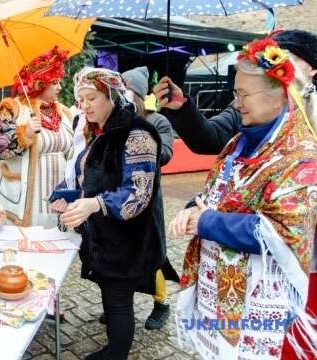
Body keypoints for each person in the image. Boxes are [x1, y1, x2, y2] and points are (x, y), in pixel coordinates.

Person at [171, 36, 317, 359]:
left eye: (243, 94)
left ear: (278, 96)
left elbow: (280, 231)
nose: (236, 103)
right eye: (235, 93)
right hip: (223, 301)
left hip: (259, 308)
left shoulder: (301, 156)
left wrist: (206, 221)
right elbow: (221, 193)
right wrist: (192, 209)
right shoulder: (239, 141)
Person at [50, 67, 164, 360]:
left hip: (127, 240)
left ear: (111, 96)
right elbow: (88, 179)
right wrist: (65, 196)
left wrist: (95, 204)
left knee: (119, 301)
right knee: (110, 294)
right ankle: (114, 345)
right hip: (103, 237)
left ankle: (116, 352)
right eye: (81, 99)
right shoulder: (95, 132)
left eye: (91, 98)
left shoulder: (137, 134)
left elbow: (137, 195)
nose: (84, 105)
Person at [153, 29, 317, 155]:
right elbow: (209, 138)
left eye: (290, 58)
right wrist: (182, 108)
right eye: (277, 56)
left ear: (313, 70)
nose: (280, 63)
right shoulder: (244, 107)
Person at [0, 46, 74, 228]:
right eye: (55, 82)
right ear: (40, 82)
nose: (60, 87)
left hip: (57, 195)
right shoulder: (12, 108)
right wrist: (23, 135)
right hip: (25, 197)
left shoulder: (63, 112)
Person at [120, 66, 180, 330]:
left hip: (147, 200)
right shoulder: (117, 120)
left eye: (126, 91)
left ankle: (162, 303)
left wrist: (141, 134)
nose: (121, 96)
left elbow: (165, 154)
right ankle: (121, 304)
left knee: (151, 252)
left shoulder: (158, 121)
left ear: (137, 94)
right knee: (124, 252)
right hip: (121, 198)